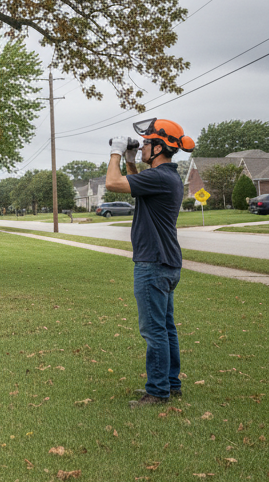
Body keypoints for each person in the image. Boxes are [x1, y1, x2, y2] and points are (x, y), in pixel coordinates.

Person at [106, 117, 195, 407]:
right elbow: (135, 184)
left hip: (152, 264)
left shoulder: (160, 178)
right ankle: (171, 384)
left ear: (158, 148)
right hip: (167, 262)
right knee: (166, 327)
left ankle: (157, 392)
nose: (142, 146)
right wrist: (132, 160)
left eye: (146, 143)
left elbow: (113, 182)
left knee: (154, 330)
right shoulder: (167, 177)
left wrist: (117, 152)